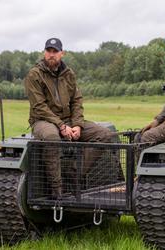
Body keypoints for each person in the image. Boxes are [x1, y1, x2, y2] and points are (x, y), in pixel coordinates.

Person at [24, 38, 114, 198]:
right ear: (44, 52)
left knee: (105, 135)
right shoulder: (34, 75)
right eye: (48, 51)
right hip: (43, 120)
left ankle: (73, 173)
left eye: (55, 51)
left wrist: (77, 125)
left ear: (62, 53)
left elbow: (77, 101)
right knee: (52, 137)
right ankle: (57, 190)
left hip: (68, 120)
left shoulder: (68, 74)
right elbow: (39, 106)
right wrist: (61, 126)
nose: (51, 55)